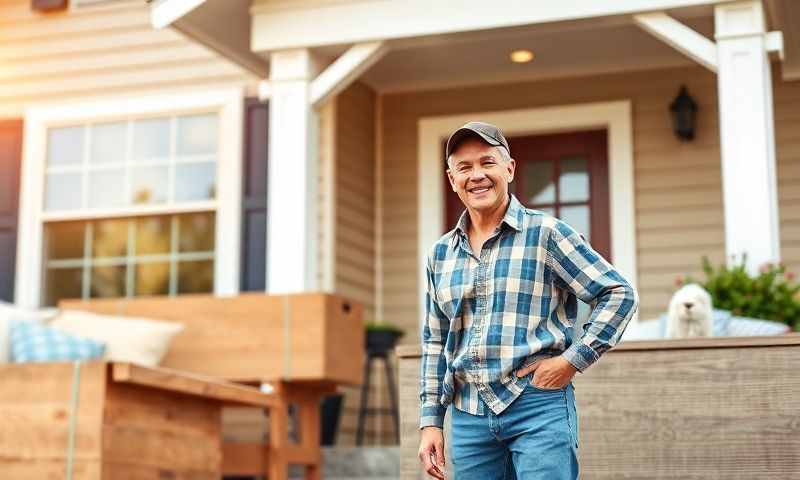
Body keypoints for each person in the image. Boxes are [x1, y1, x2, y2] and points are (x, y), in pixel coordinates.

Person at [417, 121, 639, 479]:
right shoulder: (440, 254)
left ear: (509, 168)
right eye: (465, 167)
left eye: (487, 162)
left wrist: (571, 360)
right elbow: (435, 341)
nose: (477, 175)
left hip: (537, 404)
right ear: (451, 179)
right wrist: (430, 422)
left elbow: (618, 294)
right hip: (468, 417)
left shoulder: (547, 235)